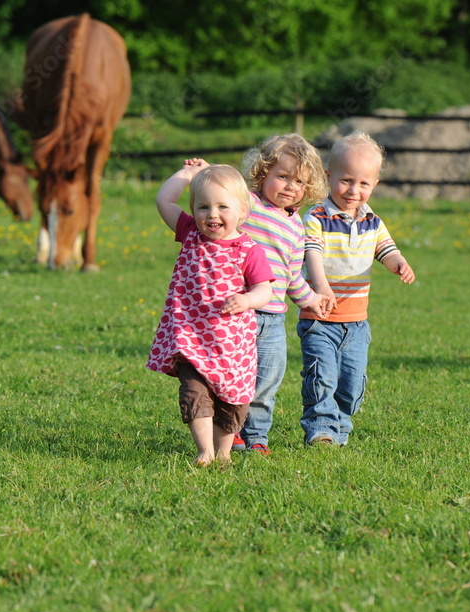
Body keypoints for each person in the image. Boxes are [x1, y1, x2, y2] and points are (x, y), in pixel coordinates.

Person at [147, 159, 274, 465]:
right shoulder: (190, 232)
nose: (212, 214)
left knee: (232, 401)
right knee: (194, 392)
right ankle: (204, 450)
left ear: (242, 211)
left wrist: (247, 300)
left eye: (222, 207)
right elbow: (164, 201)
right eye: (203, 207)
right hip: (191, 339)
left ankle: (224, 453)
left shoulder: (249, 250)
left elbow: (264, 290)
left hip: (232, 347)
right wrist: (186, 174)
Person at [298, 132, 416, 446]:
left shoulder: (372, 221)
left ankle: (340, 426)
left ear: (374, 185)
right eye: (346, 180)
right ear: (328, 177)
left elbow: (386, 249)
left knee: (351, 383)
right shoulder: (316, 217)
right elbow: (312, 253)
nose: (354, 190)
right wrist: (321, 286)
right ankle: (321, 428)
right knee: (321, 375)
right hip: (319, 318)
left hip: (357, 323)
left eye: (364, 183)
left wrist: (399, 263)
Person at [231, 133, 331, 455]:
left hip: (273, 319)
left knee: (267, 382)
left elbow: (291, 275)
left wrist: (311, 299)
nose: (290, 186)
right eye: (283, 176)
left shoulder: (296, 226)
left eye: (299, 181)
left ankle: (256, 437)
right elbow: (219, 196)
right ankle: (230, 430)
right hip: (239, 310)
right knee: (233, 375)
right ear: (262, 173)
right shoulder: (247, 204)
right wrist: (205, 173)